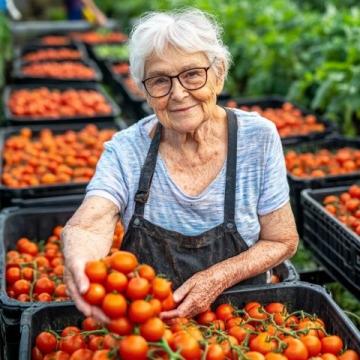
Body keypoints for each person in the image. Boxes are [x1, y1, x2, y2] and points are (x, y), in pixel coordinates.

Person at [62, 8, 299, 322]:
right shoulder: (126, 150)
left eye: (192, 74)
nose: (178, 93)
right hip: (154, 325)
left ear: (219, 73)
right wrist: (80, 262)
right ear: (143, 90)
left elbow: (282, 239)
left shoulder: (257, 138)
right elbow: (90, 224)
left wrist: (218, 277)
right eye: (160, 81)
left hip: (243, 321)